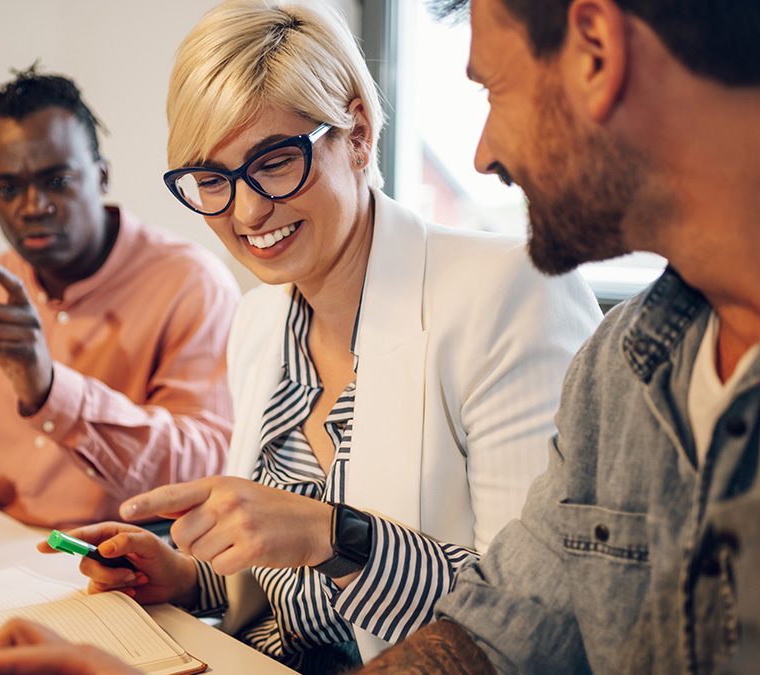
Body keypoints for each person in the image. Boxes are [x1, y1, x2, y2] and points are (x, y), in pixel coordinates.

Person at [39, 1, 598, 673]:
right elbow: (287, 582)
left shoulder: (512, 292)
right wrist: (190, 577)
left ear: (357, 132)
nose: (246, 211)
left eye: (273, 161)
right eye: (212, 179)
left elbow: (538, 617)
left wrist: (335, 536)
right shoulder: (259, 323)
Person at [353, 0, 760, 672]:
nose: (484, 153)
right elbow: (496, 634)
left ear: (597, 51)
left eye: (493, 88)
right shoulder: (620, 370)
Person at [0, 67, 239, 532]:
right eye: (8, 189)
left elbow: (203, 462)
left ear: (101, 177)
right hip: (2, 546)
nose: (32, 206)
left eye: (56, 181)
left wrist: (50, 391)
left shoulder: (191, 284)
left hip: (134, 557)